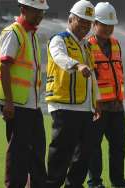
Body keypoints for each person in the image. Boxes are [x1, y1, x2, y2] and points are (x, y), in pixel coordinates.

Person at [0, 0, 48, 187]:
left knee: (38, 150)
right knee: (18, 153)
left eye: (42, 12)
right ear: (23, 9)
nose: (40, 15)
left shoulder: (30, 34)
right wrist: (8, 102)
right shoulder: (14, 33)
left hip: (31, 104)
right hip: (17, 105)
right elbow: (5, 66)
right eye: (36, 11)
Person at [45, 0, 100, 187]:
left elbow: (91, 74)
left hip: (85, 107)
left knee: (84, 153)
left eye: (88, 23)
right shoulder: (58, 39)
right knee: (61, 152)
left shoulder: (87, 46)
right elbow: (59, 57)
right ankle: (52, 184)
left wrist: (97, 100)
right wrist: (77, 65)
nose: (85, 26)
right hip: (64, 104)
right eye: (81, 21)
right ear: (71, 19)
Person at [86, 2, 125, 188]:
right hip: (97, 107)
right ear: (94, 24)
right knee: (94, 148)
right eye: (104, 24)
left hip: (117, 106)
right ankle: (95, 182)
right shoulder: (87, 46)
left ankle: (118, 181)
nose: (108, 28)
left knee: (118, 148)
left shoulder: (116, 44)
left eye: (111, 25)